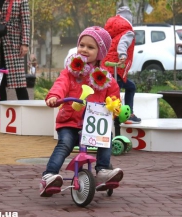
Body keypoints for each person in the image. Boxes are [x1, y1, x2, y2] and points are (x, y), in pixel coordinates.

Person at [40, 26, 124, 197]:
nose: (84, 50)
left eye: (90, 47)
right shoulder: (71, 71)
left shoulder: (105, 77)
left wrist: (114, 108)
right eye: (82, 45)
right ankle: (49, 176)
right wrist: (55, 96)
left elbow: (114, 95)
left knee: (105, 138)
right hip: (70, 121)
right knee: (65, 143)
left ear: (100, 53)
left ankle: (102, 171)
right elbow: (61, 83)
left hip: (92, 124)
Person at [101, 6, 141, 124]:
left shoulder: (111, 32)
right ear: (129, 20)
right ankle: (122, 115)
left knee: (118, 90)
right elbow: (122, 44)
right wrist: (122, 55)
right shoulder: (128, 32)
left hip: (107, 66)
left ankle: (118, 114)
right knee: (119, 91)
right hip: (116, 67)